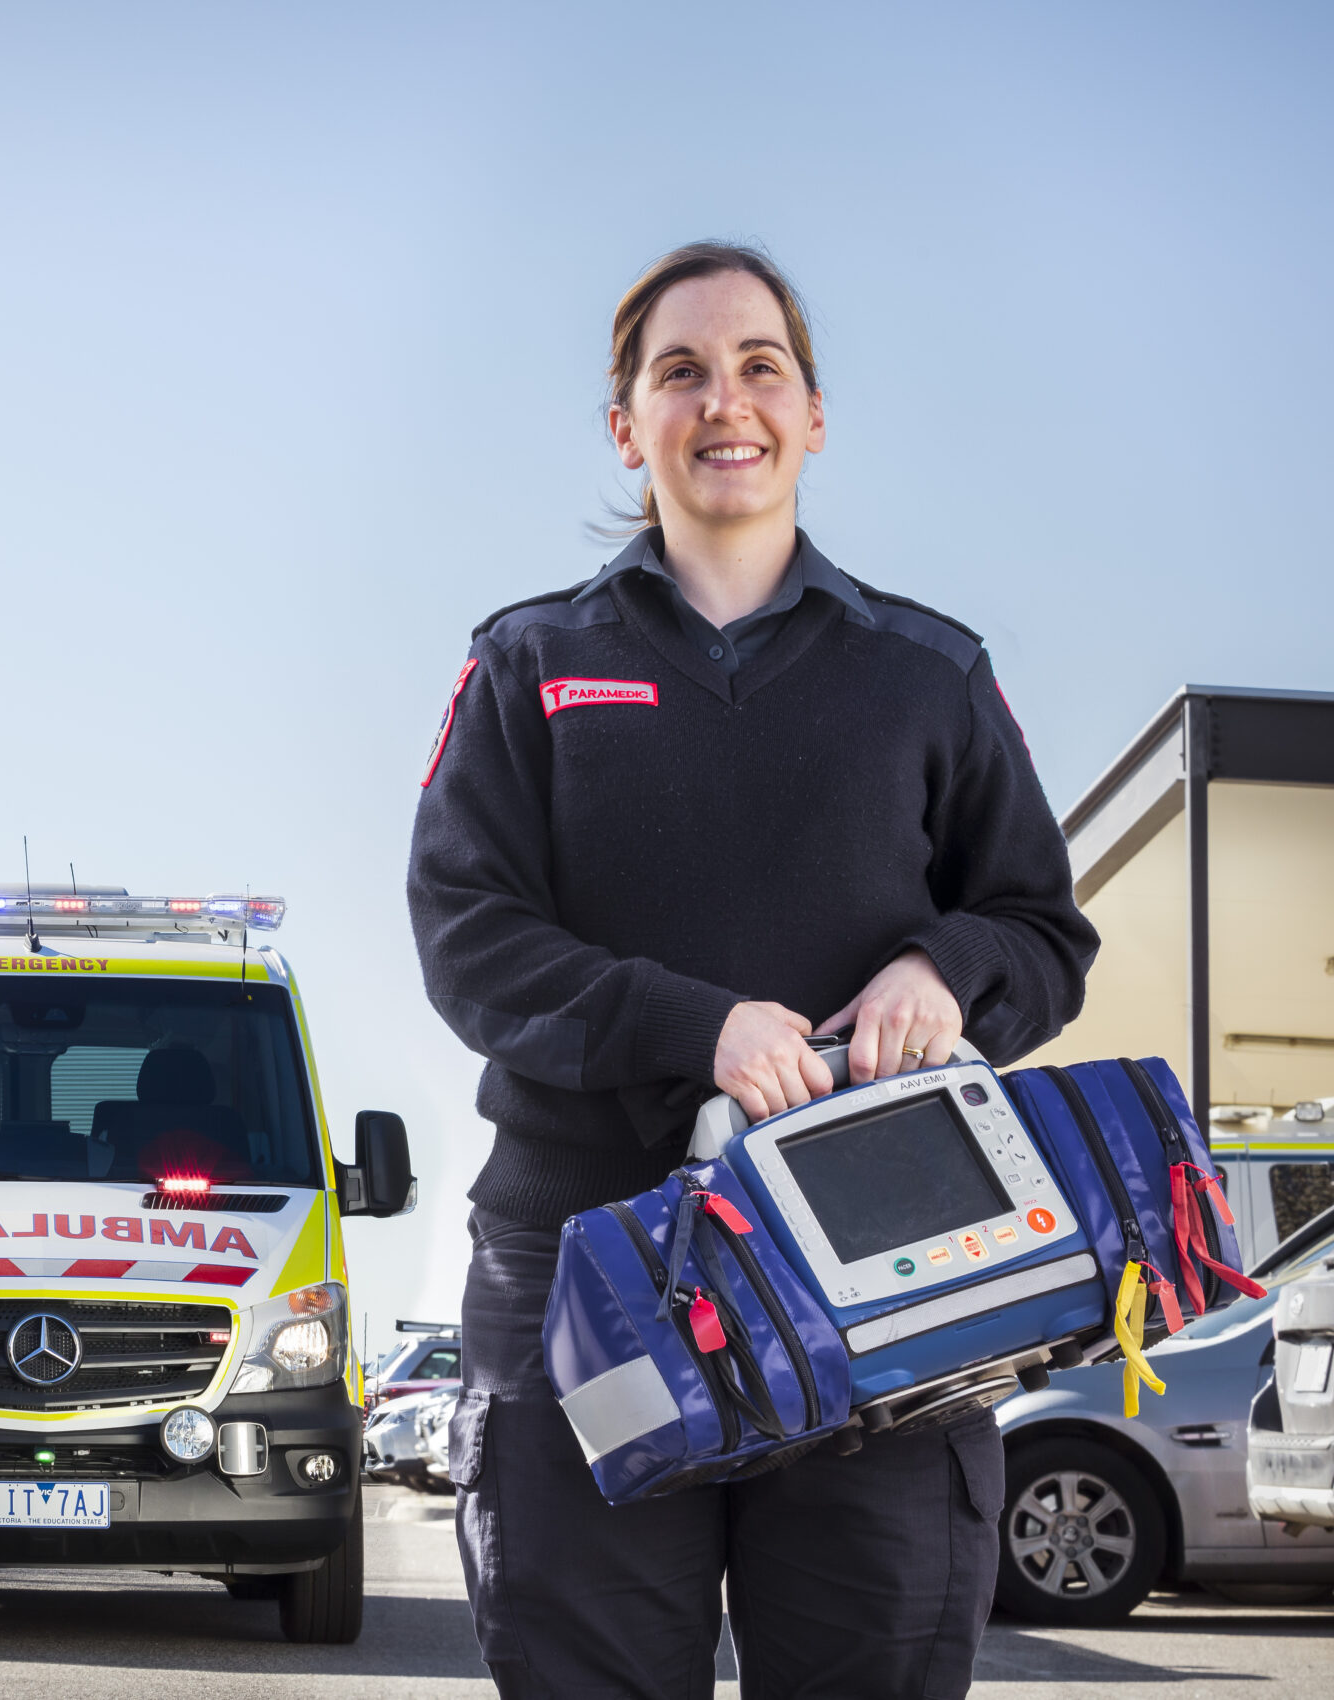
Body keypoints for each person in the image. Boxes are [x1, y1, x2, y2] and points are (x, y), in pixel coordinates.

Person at [407, 241, 1096, 1699]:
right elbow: (470, 938)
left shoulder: (929, 673)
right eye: (683, 371)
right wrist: (695, 1026)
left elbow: (1043, 928)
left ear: (814, 415)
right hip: (589, 1271)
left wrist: (944, 964)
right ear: (628, 427)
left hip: (889, 1281)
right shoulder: (531, 663)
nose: (728, 401)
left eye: (760, 366)